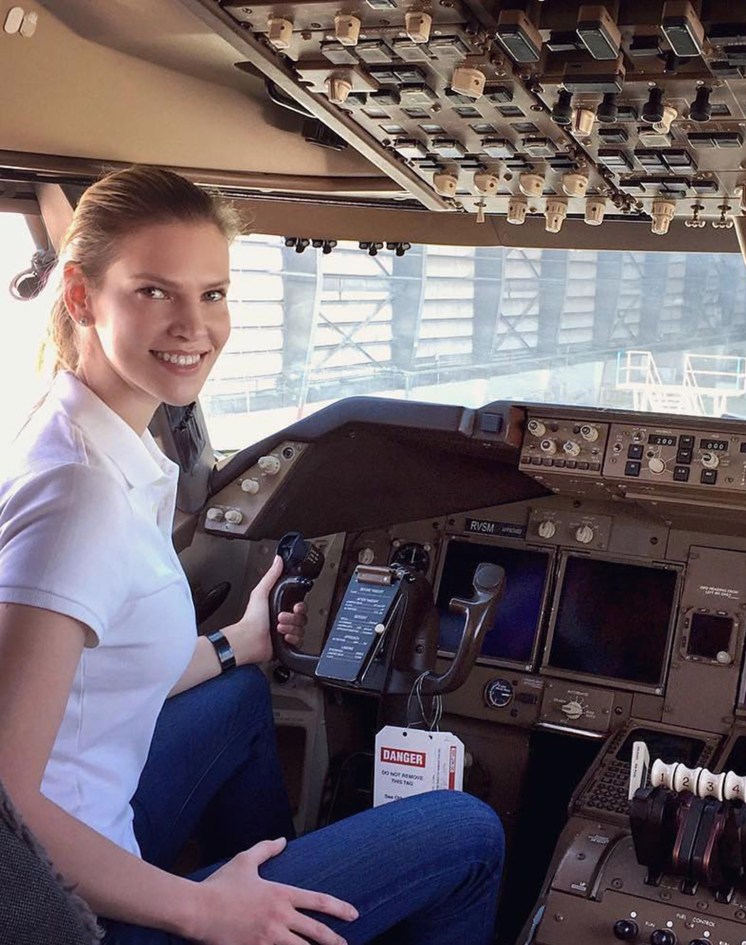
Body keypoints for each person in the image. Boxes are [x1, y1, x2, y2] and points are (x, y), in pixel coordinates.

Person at [0, 166, 504, 945]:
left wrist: (244, 641)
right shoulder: (80, 500)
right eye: (153, 291)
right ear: (78, 296)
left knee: (236, 698)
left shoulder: (98, 443)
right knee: (468, 831)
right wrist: (206, 910)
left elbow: (100, 673)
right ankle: (256, 919)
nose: (194, 325)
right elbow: (5, 807)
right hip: (70, 914)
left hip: (90, 832)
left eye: (213, 293)